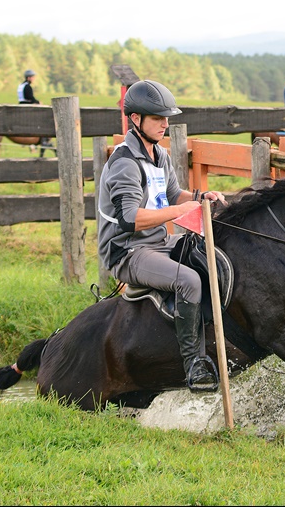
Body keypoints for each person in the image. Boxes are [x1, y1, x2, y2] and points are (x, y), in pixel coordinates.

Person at [97, 79, 227, 392]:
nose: (164, 124)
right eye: (158, 118)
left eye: (166, 118)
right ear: (136, 119)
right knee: (189, 281)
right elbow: (130, 219)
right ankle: (193, 364)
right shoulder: (124, 164)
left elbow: (172, 194)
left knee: (214, 258)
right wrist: (179, 212)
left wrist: (201, 195)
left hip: (158, 242)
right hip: (128, 252)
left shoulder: (159, 154)